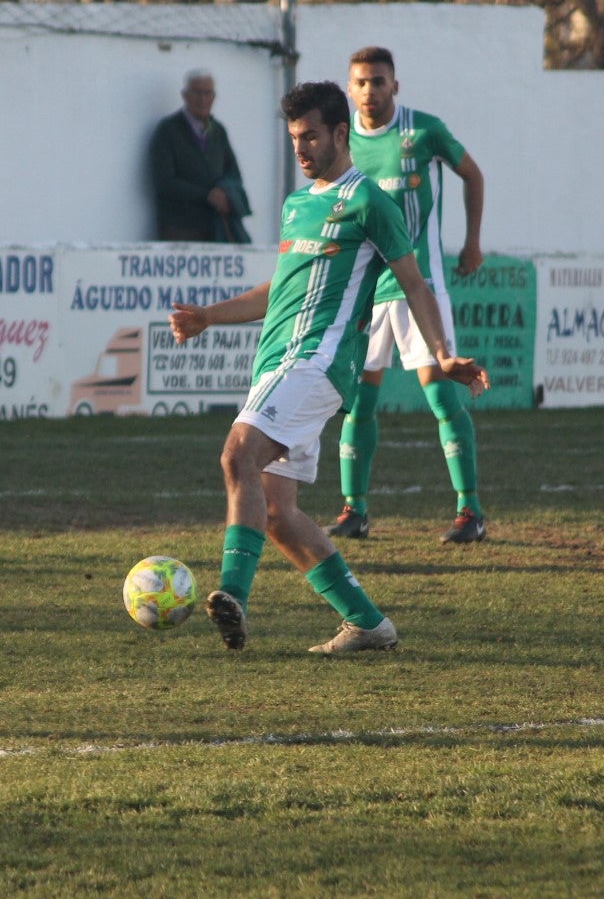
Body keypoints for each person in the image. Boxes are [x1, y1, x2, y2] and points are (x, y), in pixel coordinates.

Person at [169, 81, 487, 654]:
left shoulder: (370, 202)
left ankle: (233, 595)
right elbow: (281, 289)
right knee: (279, 514)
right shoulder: (298, 205)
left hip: (319, 362)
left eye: (310, 135)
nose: (301, 147)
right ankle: (368, 623)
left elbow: (413, 282)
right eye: (294, 137)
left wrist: (441, 353)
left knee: (237, 452)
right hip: (278, 362)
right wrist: (210, 317)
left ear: (340, 133)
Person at [324, 46, 490, 546]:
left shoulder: (422, 130)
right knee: (358, 403)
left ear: (395, 85)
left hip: (419, 283)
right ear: (349, 88)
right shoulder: (341, 139)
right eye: (360, 82)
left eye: (378, 81)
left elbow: (472, 174)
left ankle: (470, 511)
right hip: (365, 288)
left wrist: (472, 242)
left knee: (442, 394)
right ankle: (354, 511)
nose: (369, 91)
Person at [148, 69, 251, 242]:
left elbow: (233, 174)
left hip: (216, 229)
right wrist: (206, 195)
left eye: (207, 93)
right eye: (197, 92)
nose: (202, 99)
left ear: (214, 97)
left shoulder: (218, 131)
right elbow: (164, 182)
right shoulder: (168, 130)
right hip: (180, 230)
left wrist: (223, 192)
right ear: (185, 95)